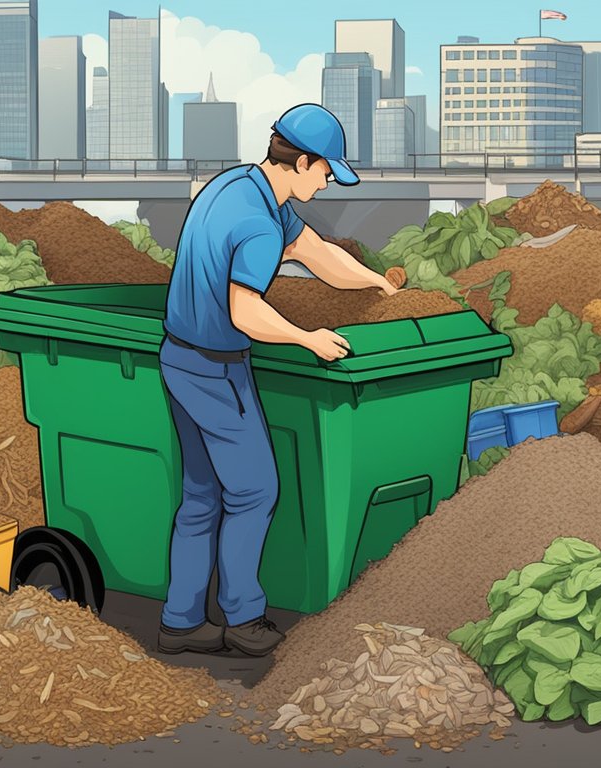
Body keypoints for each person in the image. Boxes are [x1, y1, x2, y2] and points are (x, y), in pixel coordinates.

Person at [157, 103, 400, 657]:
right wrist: (306, 338)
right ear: (304, 161)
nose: (329, 183)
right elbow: (244, 311)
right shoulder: (260, 224)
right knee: (254, 490)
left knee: (201, 494)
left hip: (178, 356)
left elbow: (314, 253)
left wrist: (376, 286)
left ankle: (180, 620)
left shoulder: (241, 187)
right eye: (326, 172)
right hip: (216, 367)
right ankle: (244, 620)